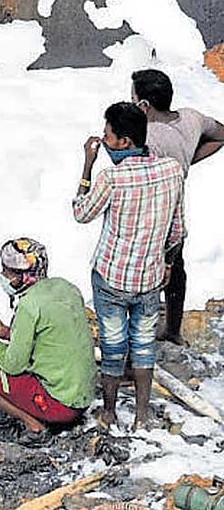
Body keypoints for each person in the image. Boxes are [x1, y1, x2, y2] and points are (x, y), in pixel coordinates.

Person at [73, 102, 184, 430]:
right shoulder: (171, 170)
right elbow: (177, 229)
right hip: (150, 276)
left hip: (111, 276)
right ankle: (141, 415)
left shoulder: (112, 178)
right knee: (144, 342)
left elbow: (81, 213)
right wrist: (168, 264)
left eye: (108, 136)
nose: (104, 140)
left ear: (123, 142)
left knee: (113, 342)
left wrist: (87, 166)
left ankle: (108, 413)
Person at [0, 237, 96, 440]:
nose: (3, 275)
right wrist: (7, 333)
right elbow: (50, 339)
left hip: (60, 405)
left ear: (23, 276)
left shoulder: (29, 305)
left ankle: (35, 427)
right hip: (83, 398)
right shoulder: (66, 287)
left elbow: (13, 365)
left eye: (7, 271)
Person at [131, 69, 224, 344]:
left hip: (149, 213)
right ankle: (172, 330)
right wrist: (184, 162)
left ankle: (139, 339)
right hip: (176, 213)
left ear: (143, 106)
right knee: (176, 268)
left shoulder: (145, 136)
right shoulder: (192, 117)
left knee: (142, 275)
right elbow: (220, 136)